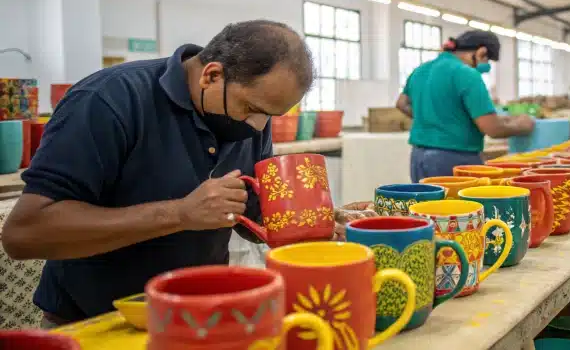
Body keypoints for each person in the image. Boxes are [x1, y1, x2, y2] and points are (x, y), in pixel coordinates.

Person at [0, 20, 374, 327]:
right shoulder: (108, 101)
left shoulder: (249, 120)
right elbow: (24, 234)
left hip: (203, 316)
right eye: (251, 108)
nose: (259, 126)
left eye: (270, 116)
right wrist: (179, 214)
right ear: (211, 75)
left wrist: (318, 220)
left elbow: (250, 213)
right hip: (99, 323)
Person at [396, 30, 535, 183]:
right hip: (454, 158)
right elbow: (492, 129)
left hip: (419, 158)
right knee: (462, 207)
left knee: (426, 205)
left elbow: (402, 104)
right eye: (487, 60)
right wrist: (523, 126)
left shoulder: (421, 70)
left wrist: (433, 118)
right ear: (481, 52)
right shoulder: (466, 74)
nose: (486, 66)